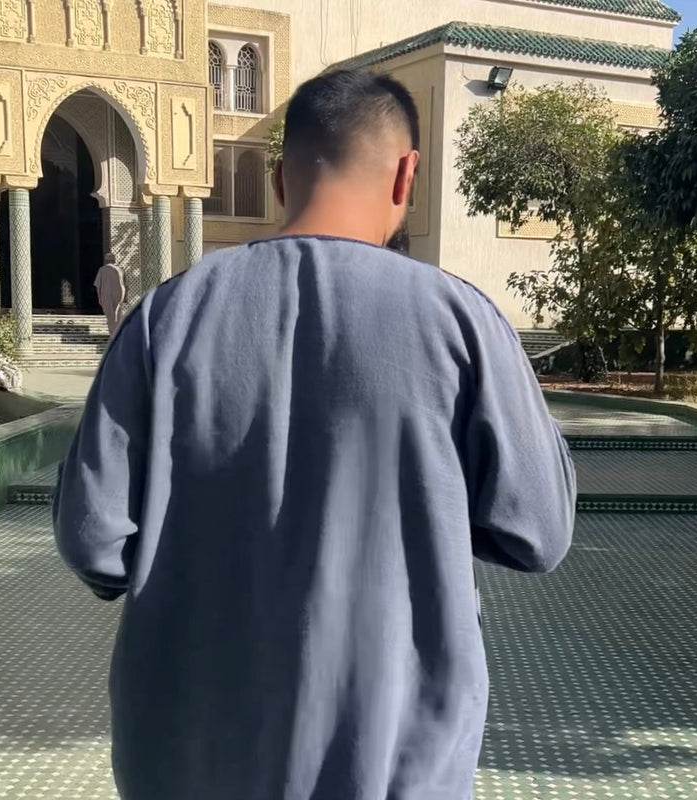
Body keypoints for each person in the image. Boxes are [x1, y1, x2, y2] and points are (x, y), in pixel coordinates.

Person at [54, 70, 576, 800]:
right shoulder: (462, 324)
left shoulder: (161, 322)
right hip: (390, 756)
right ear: (407, 175)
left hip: (187, 755)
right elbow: (539, 531)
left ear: (277, 178)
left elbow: (94, 542)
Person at [94, 253, 126, 335]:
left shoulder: (102, 270)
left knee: (110, 316)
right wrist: (125, 297)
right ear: (114, 260)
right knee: (118, 314)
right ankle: (118, 333)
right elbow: (124, 285)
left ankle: (113, 333)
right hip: (119, 294)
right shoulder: (120, 269)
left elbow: (98, 286)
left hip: (106, 295)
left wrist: (99, 298)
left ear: (106, 260)